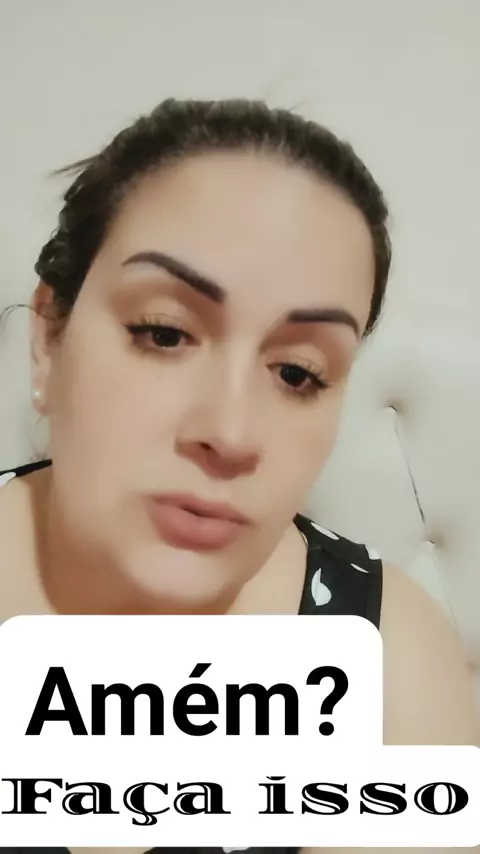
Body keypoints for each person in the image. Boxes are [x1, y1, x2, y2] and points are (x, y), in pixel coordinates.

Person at [0, 99, 478, 854]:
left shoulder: (388, 662)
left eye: (297, 372)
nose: (229, 432)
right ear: (49, 339)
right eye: (164, 333)